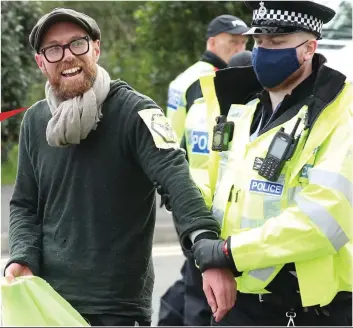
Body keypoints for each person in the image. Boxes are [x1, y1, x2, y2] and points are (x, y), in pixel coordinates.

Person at [4, 8, 236, 327]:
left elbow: (177, 181)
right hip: (47, 300)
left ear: (96, 48)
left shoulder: (136, 113)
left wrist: (209, 253)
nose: (67, 56)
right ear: (41, 62)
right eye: (53, 49)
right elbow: (24, 205)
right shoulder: (35, 121)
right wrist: (21, 257)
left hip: (115, 308)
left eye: (77, 44)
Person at [191, 1, 353, 326]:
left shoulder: (341, 115)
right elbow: (214, 188)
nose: (263, 52)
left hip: (306, 309)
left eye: (276, 43)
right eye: (258, 42)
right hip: (236, 301)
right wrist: (204, 245)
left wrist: (229, 253)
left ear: (309, 49)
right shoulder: (244, 108)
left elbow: (324, 219)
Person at [158, 51, 262, 326]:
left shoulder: (200, 108)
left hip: (193, 212)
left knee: (194, 288)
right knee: (212, 300)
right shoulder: (246, 112)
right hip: (222, 223)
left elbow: (182, 153)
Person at [166, 14, 249, 145]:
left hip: (175, 156)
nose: (240, 49)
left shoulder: (190, 74)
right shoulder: (210, 78)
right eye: (233, 42)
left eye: (243, 42)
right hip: (191, 160)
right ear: (212, 42)